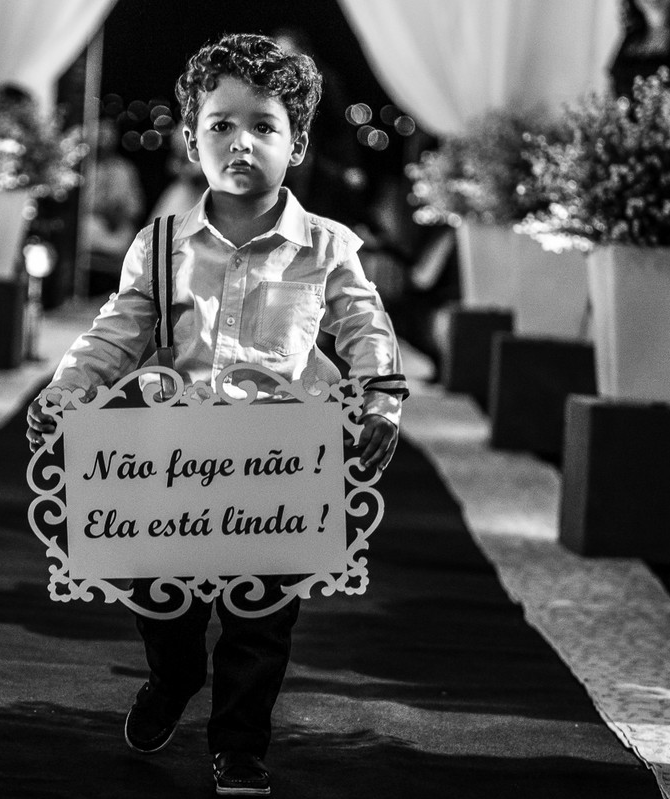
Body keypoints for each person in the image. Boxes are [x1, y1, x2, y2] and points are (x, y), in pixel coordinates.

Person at [26, 33, 408, 796]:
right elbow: (118, 328)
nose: (241, 143)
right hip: (175, 456)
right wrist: (68, 389)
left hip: (282, 462)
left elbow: (366, 328)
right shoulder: (162, 243)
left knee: (262, 618)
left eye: (264, 126)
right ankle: (171, 680)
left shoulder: (327, 246)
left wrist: (381, 398)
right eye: (221, 125)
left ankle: (239, 743)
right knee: (159, 596)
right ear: (191, 138)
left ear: (296, 144)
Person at [85, 118, 146, 296]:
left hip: (119, 227)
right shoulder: (86, 168)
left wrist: (119, 214)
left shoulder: (124, 169)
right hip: (93, 225)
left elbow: (135, 206)